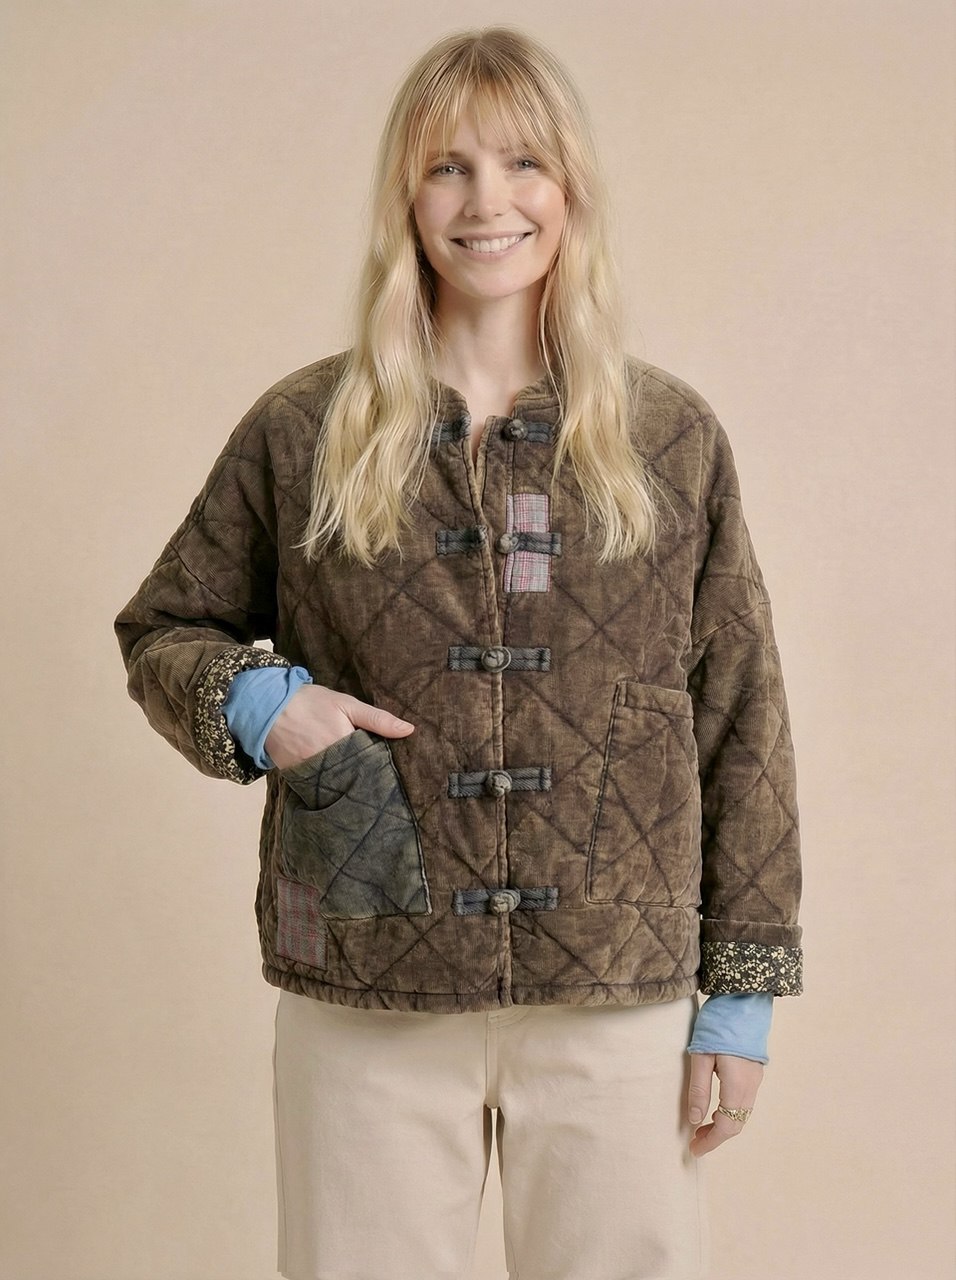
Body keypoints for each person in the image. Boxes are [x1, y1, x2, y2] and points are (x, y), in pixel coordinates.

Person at [114, 25, 802, 1280]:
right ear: (406, 199)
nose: (488, 202)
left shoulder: (665, 435)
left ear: (570, 188)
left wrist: (740, 994)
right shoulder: (305, 427)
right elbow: (166, 626)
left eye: (522, 163)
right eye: (448, 168)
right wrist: (266, 703)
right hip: (366, 975)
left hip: (616, 995)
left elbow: (739, 711)